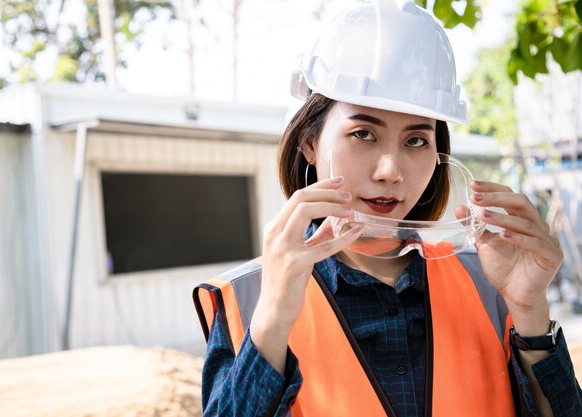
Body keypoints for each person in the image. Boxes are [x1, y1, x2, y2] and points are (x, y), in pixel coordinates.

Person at [193, 1, 582, 416]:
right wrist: (271, 321)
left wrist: (530, 311)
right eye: (363, 133)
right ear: (309, 142)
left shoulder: (492, 283)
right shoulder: (249, 298)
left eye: (416, 140)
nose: (390, 171)